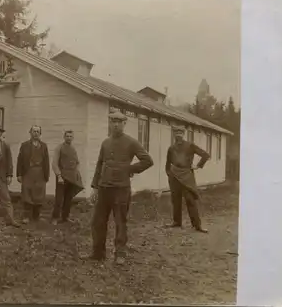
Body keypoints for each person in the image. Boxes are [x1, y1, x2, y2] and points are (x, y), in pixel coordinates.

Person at [85, 109, 154, 265]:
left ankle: (120, 254)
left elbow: (147, 160)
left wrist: (129, 169)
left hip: (121, 190)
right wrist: (95, 187)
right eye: (113, 122)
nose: (115, 125)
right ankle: (98, 253)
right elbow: (99, 165)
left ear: (124, 124)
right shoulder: (105, 142)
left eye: (119, 122)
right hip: (104, 188)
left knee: (120, 222)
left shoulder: (131, 142)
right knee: (98, 222)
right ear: (110, 123)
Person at [164, 125, 210, 233]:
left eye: (180, 133)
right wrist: (169, 174)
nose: (178, 135)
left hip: (186, 176)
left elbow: (205, 155)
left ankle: (197, 225)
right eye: (176, 133)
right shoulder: (171, 148)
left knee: (190, 200)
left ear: (183, 134)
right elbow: (167, 164)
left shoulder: (190, 146)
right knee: (175, 200)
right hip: (174, 176)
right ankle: (176, 222)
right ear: (174, 134)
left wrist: (198, 166)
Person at [16, 125, 50, 223]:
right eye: (34, 131)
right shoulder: (24, 145)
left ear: (40, 134)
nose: (36, 133)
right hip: (28, 172)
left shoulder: (44, 146)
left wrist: (46, 175)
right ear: (30, 132)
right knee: (27, 193)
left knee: (38, 194)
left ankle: (36, 216)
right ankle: (26, 216)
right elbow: (20, 161)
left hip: (40, 172)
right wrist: (19, 174)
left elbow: (46, 161)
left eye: (38, 132)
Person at [51, 130, 84, 225]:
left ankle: (65, 217)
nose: (69, 138)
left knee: (68, 198)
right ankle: (55, 217)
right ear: (64, 137)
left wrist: (76, 172)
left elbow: (77, 162)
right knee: (59, 199)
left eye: (70, 136)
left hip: (71, 178)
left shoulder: (73, 149)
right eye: (67, 136)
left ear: (72, 138)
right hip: (62, 177)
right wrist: (59, 175)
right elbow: (54, 163)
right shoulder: (59, 148)